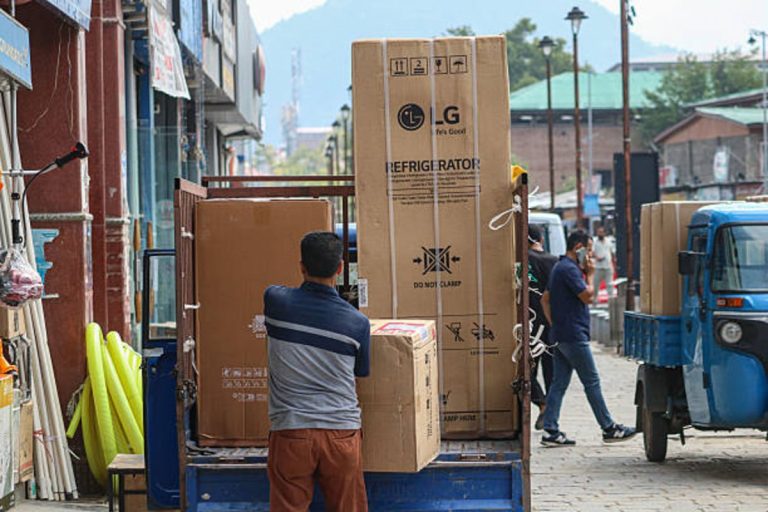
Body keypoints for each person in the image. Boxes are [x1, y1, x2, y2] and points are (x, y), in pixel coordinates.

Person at [264, 232, 370, 511]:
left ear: (301, 266)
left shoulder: (275, 301)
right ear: (340, 268)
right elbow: (361, 372)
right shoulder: (358, 323)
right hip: (342, 434)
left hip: (291, 431)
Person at [539, 230, 636, 446]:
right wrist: (590, 274)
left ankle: (550, 430)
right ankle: (608, 427)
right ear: (578, 248)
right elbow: (587, 296)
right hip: (574, 335)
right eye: (589, 250)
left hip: (561, 334)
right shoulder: (570, 270)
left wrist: (555, 324)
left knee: (558, 383)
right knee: (591, 382)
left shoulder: (559, 266)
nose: (590, 255)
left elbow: (545, 299)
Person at [527, 225, 558, 430]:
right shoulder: (554, 261)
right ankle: (550, 415)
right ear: (541, 239)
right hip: (551, 323)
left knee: (526, 370)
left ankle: (542, 404)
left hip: (529, 324)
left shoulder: (523, 260)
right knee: (551, 373)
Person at [591, 226, 615, 305]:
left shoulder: (608, 241)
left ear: (604, 233)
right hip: (598, 267)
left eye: (601, 232)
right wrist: (597, 257)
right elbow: (592, 252)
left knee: (610, 285)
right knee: (596, 285)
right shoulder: (595, 241)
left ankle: (611, 302)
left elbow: (612, 252)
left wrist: (613, 263)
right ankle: (595, 300)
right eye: (598, 232)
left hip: (608, 266)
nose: (600, 234)